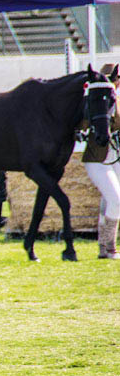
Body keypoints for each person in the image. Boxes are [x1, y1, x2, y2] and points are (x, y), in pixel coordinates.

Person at [82, 63, 120, 260]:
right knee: (116, 200)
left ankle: (104, 248)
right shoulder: (99, 100)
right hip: (98, 157)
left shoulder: (115, 99)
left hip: (115, 156)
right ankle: (110, 246)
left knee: (109, 202)